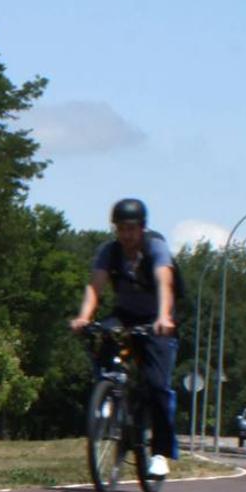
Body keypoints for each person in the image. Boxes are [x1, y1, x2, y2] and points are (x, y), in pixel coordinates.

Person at [70, 198, 178, 477]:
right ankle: (108, 396)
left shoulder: (155, 247)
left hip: (157, 317)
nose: (125, 235)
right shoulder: (109, 251)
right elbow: (95, 287)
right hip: (125, 314)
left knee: (157, 386)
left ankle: (159, 453)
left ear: (141, 228)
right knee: (101, 340)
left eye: (130, 228)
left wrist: (164, 316)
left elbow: (165, 281)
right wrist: (84, 316)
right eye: (120, 228)